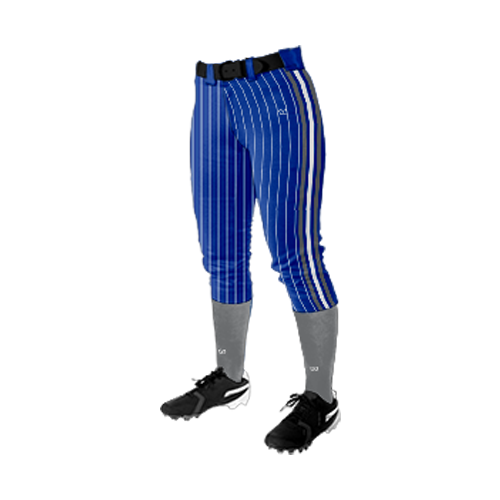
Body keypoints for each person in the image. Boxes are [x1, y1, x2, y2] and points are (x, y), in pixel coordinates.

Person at [161, 45, 341, 453]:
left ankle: (320, 395)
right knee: (220, 251)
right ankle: (230, 374)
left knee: (295, 255)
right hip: (210, 90)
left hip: (274, 88)